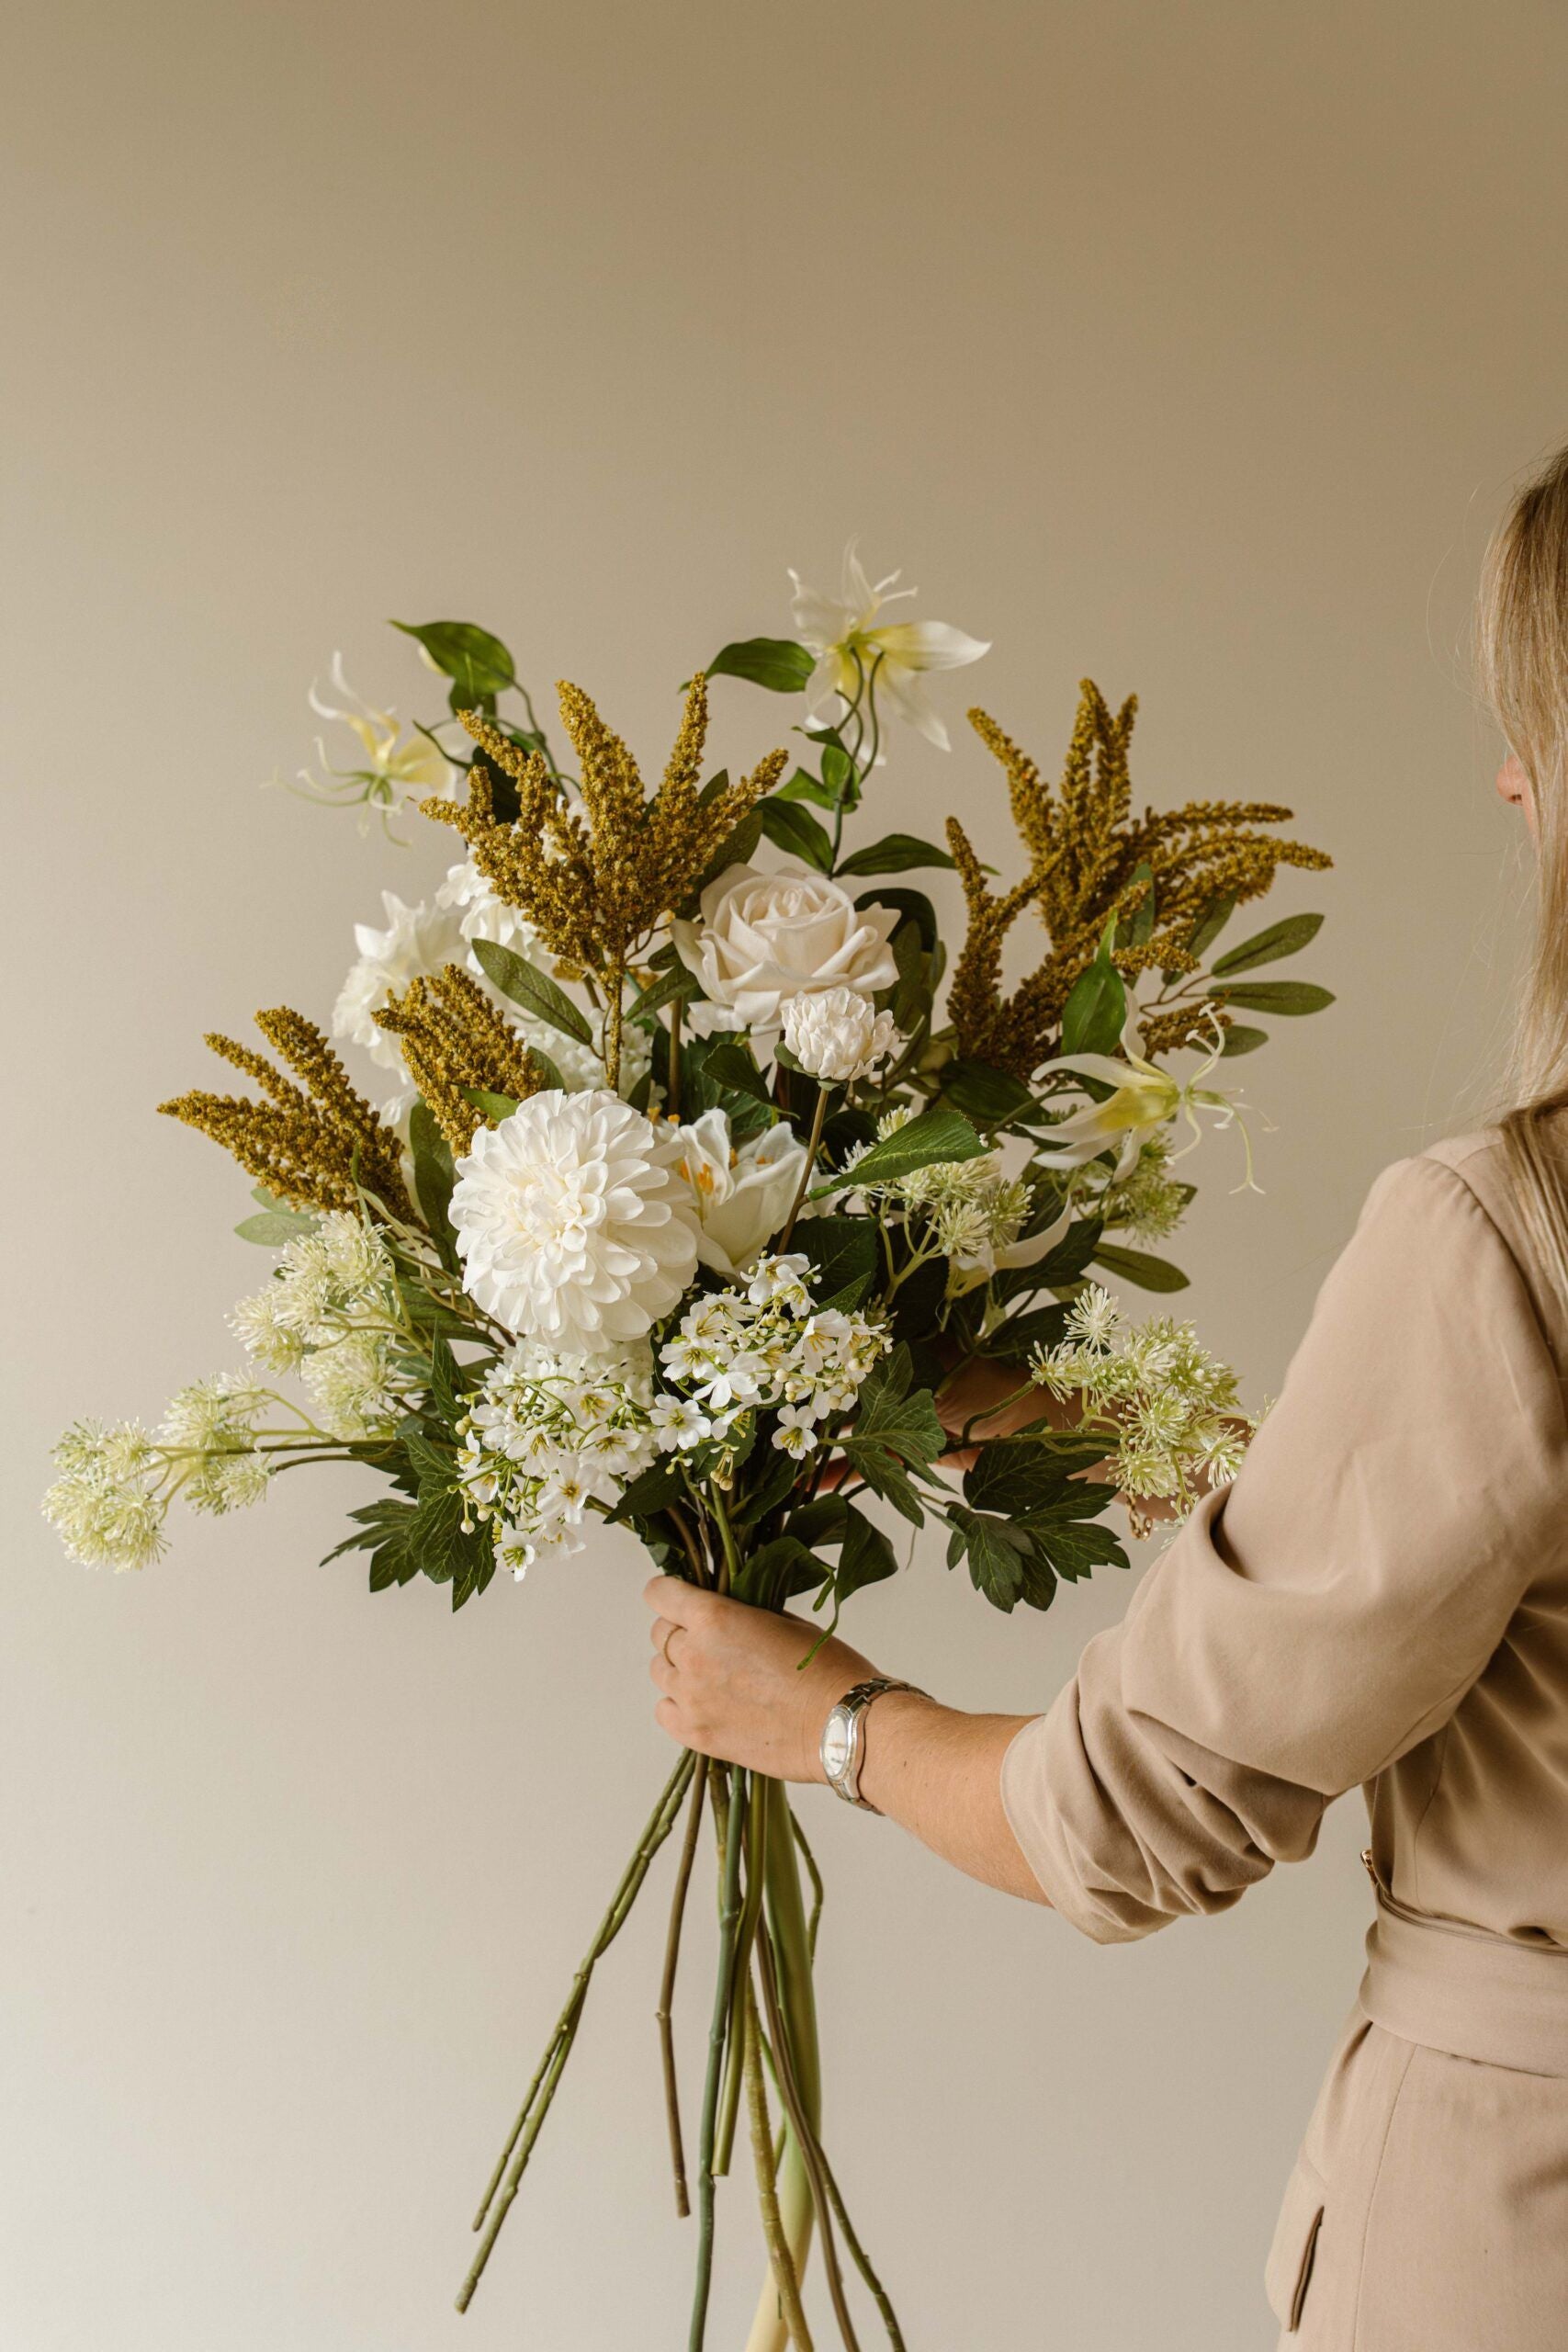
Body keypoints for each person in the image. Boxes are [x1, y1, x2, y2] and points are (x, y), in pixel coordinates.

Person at [644, 448, 1568, 2348]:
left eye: (1529, 719)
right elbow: (1499, 1569)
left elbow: (1132, 1810)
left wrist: (823, 1715)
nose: (1505, 775)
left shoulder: (1499, 1225)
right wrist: (1125, 1439)